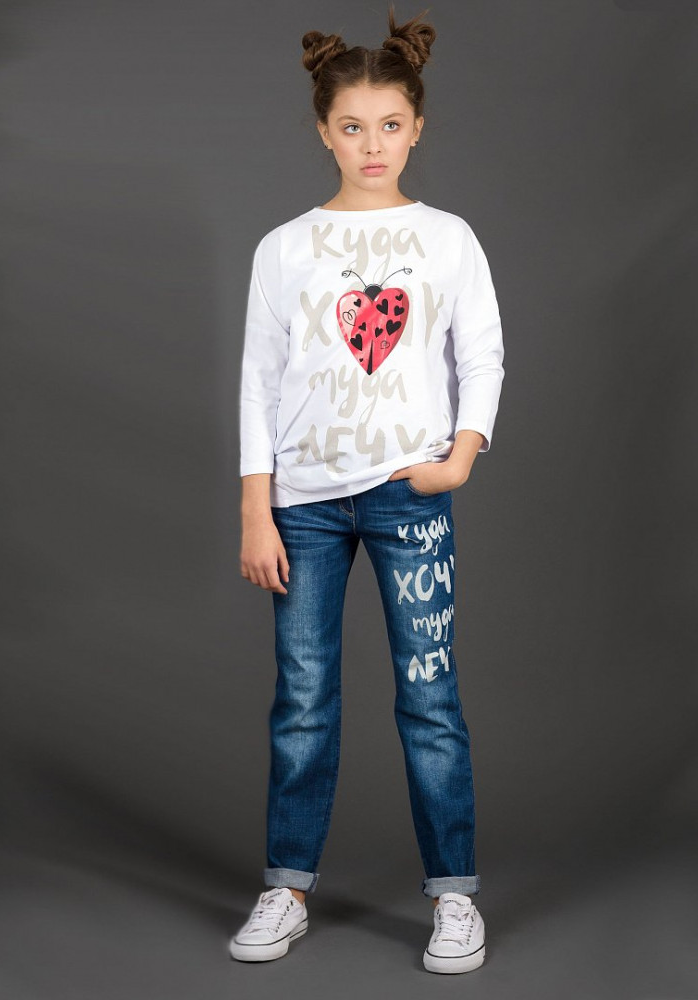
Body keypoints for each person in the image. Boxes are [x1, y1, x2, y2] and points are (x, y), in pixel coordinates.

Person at [230, 3, 505, 975]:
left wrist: (458, 458)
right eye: (352, 126)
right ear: (322, 130)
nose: (371, 144)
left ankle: (453, 897)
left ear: (416, 125)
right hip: (301, 505)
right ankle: (287, 886)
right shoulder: (283, 247)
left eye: (389, 124)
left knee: (429, 698)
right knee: (302, 698)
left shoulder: (447, 238)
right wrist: (255, 507)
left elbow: (480, 354)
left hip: (407, 494)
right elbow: (259, 381)